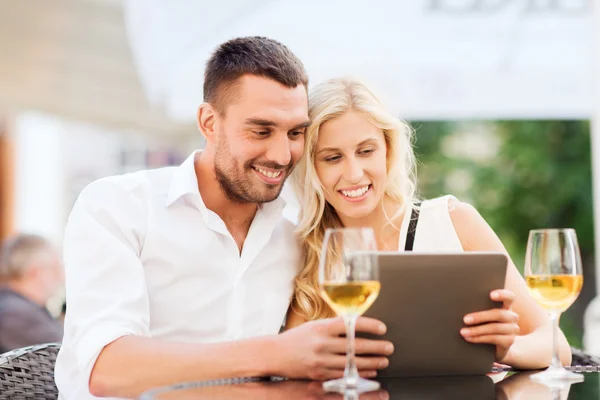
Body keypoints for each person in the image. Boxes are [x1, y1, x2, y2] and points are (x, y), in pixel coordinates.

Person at [55, 38, 392, 400]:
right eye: (261, 131)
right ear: (209, 122)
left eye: (295, 133)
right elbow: (106, 370)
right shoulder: (118, 206)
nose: (281, 155)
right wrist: (274, 355)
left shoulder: (294, 238)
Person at [287, 77, 572, 369]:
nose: (354, 173)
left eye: (366, 151)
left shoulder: (453, 222)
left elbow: (556, 345)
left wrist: (508, 349)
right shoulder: (304, 249)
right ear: (312, 168)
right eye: (333, 158)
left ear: (388, 150)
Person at [0, 233, 64, 353]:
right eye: (56, 268)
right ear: (35, 272)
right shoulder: (16, 314)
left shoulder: (14, 305)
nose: (62, 277)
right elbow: (69, 356)